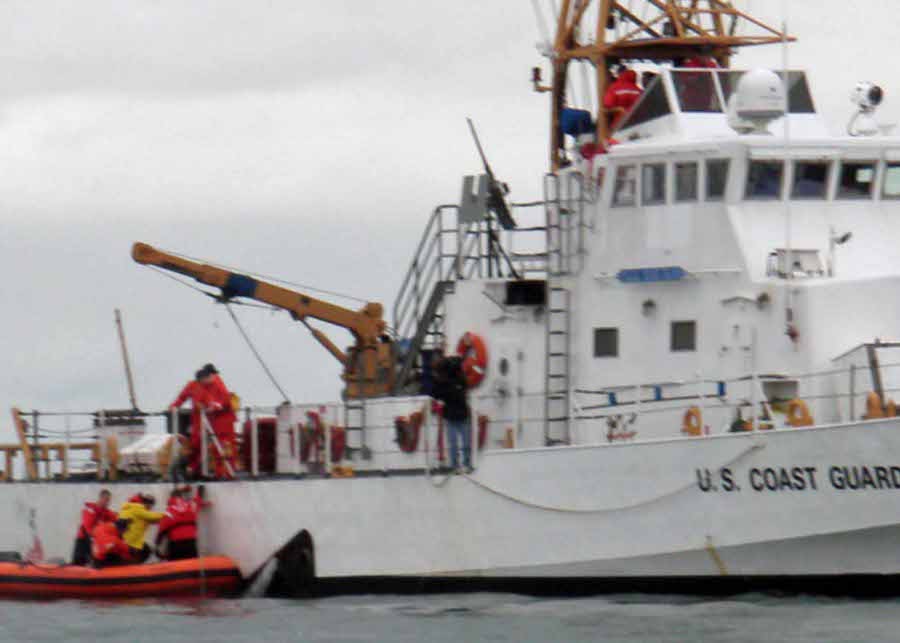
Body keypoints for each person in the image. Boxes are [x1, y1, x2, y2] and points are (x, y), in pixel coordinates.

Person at [432, 355, 472, 472]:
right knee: (456, 443)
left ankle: (462, 465)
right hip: (453, 416)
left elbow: (436, 394)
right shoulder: (450, 382)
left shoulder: (452, 381)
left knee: (463, 443)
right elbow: (437, 394)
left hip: (460, 415)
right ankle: (459, 465)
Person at [170, 370, 212, 477]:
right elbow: (182, 398)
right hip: (198, 421)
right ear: (203, 378)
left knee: (201, 446)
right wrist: (173, 407)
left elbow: (211, 403)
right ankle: (189, 468)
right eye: (208, 377)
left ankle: (193, 469)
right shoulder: (193, 386)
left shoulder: (208, 387)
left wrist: (208, 407)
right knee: (195, 446)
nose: (210, 379)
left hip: (207, 421)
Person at [200, 364, 238, 479]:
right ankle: (221, 472)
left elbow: (224, 402)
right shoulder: (212, 385)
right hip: (218, 422)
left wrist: (213, 407)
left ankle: (228, 472)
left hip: (224, 422)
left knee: (226, 447)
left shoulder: (217, 385)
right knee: (218, 448)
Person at [156, 486, 209, 561]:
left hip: (176, 544)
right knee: (192, 564)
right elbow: (197, 500)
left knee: (175, 565)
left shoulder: (169, 510)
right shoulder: (191, 505)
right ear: (181, 497)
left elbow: (162, 529)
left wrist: (157, 544)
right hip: (191, 543)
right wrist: (200, 490)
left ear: (171, 498)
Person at [71, 489, 117, 566]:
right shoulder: (90, 510)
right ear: (100, 498)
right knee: (78, 563)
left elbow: (116, 518)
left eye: (109, 501)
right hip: (83, 541)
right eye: (106, 500)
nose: (107, 503)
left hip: (95, 541)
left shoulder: (106, 512)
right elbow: (88, 528)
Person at [118, 493, 165, 563]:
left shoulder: (130, 508)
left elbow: (151, 519)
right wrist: (168, 514)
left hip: (124, 541)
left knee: (147, 549)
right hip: (131, 543)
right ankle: (136, 566)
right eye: (151, 504)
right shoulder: (138, 509)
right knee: (135, 558)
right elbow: (152, 516)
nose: (151, 508)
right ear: (147, 503)